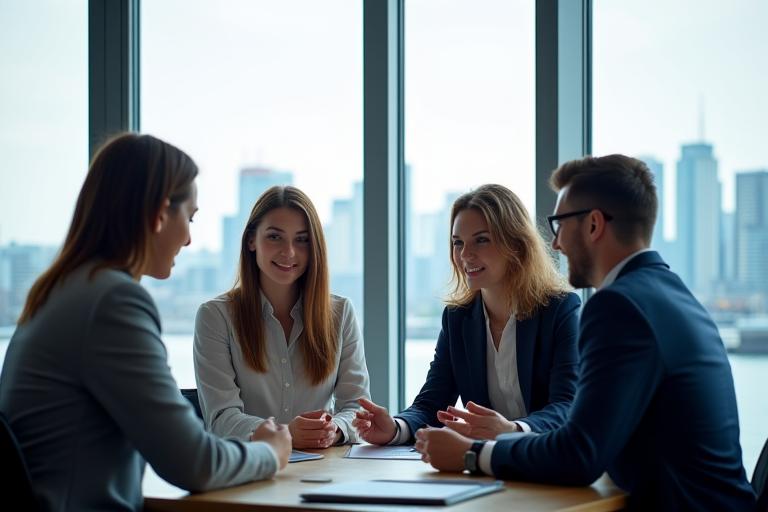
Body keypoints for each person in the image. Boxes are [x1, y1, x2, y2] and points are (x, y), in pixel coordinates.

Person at [414, 155, 756, 510]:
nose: (556, 243)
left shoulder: (619, 308)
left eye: (560, 224)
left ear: (594, 225)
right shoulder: (669, 293)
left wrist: (473, 454)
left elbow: (579, 454)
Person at [0, 133, 291, 512]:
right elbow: (193, 463)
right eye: (189, 218)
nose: (188, 239)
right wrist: (270, 452)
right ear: (158, 216)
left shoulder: (61, 290)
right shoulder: (112, 302)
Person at [353, 184, 580, 446]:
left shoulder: (560, 310)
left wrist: (513, 429)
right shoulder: (457, 318)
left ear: (516, 244)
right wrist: (395, 428)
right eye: (457, 243)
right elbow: (432, 404)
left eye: (481, 240)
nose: (465, 255)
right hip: (485, 466)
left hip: (546, 461)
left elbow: (566, 405)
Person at [194, 185, 370, 449]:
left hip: (324, 467)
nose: (289, 252)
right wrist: (287, 433)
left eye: (302, 240)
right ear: (252, 240)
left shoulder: (340, 313)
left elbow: (357, 406)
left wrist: (334, 429)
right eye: (275, 237)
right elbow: (221, 419)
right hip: (250, 469)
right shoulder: (215, 317)